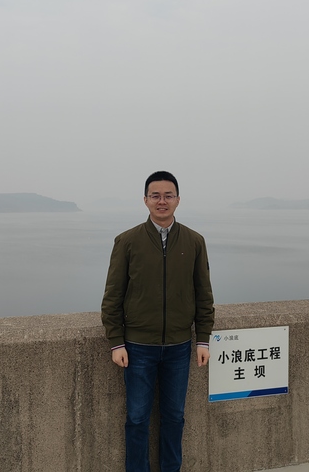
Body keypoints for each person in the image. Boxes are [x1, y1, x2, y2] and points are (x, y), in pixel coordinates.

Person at [101, 170, 215, 472]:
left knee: (175, 417)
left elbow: (203, 294)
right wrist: (116, 342)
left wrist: (203, 339)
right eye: (155, 196)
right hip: (137, 347)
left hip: (179, 346)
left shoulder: (194, 241)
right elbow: (113, 296)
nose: (162, 201)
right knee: (137, 418)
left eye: (168, 195)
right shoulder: (127, 241)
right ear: (145, 200)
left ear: (177, 200)